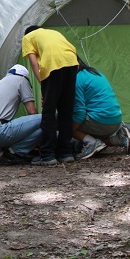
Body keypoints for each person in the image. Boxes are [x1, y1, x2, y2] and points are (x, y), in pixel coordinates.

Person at [21, 25, 79, 166]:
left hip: (53, 65)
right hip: (72, 63)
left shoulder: (27, 37)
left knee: (49, 111)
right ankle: (65, 153)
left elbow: (34, 63)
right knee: (66, 110)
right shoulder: (53, 32)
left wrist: (43, 84)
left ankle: (47, 155)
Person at [72, 63, 130, 160]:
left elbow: (79, 113)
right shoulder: (94, 73)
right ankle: (119, 138)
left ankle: (92, 143)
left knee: (63, 123)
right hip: (116, 120)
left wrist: (70, 130)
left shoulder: (77, 79)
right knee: (80, 140)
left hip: (100, 122)